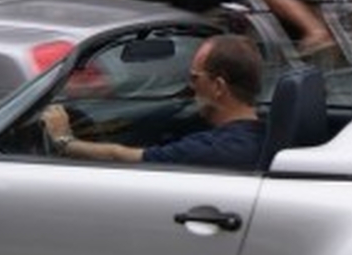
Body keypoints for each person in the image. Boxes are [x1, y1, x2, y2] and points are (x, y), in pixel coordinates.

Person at [42, 35, 265, 168]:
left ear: (218, 87)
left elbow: (121, 156)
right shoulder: (266, 131)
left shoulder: (213, 149)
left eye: (195, 78)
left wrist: (65, 141)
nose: (190, 86)